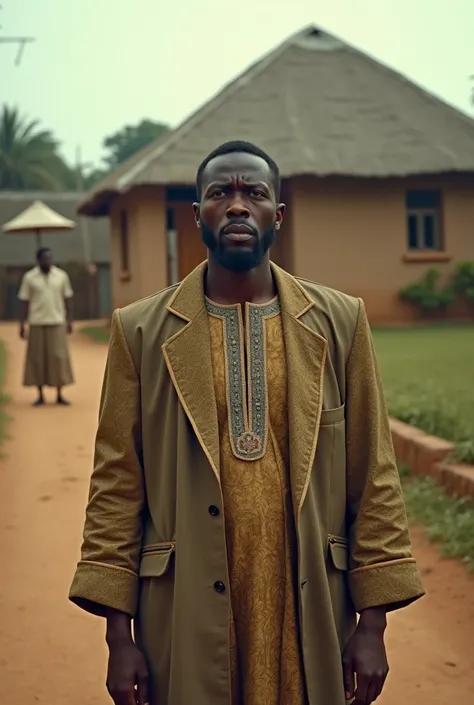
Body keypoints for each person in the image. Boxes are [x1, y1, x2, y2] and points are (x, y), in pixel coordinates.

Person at [69, 141, 425, 705]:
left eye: (254, 193)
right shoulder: (141, 332)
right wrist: (119, 637)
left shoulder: (339, 322)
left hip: (309, 602)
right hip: (183, 608)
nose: (238, 205)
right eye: (220, 193)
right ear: (198, 215)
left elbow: (373, 475)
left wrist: (373, 625)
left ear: (277, 216)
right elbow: (116, 484)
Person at [18, 246, 74, 406]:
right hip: (37, 322)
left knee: (58, 358)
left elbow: (68, 298)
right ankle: (40, 394)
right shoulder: (29, 278)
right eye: (44, 258)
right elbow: (24, 301)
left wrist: (70, 320)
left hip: (56, 321)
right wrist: (22, 324)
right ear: (38, 260)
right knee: (37, 359)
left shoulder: (61, 276)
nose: (48, 261)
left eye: (50, 258)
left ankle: (59, 394)